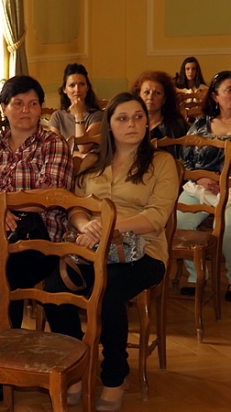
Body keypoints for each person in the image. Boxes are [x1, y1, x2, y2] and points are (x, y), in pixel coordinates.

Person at [43, 92, 178, 412]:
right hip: (91, 247)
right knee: (55, 290)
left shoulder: (161, 162)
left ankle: (115, 377)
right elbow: (75, 207)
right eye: (123, 118)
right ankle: (75, 367)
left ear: (147, 123)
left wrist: (107, 225)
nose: (132, 124)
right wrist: (84, 225)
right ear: (109, 125)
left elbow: (156, 217)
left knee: (108, 292)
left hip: (143, 251)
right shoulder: (92, 162)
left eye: (138, 117)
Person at [0, 75, 74, 405]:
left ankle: (0, 369)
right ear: (3, 108)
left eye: (33, 103)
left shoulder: (53, 144)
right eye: (18, 103)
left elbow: (51, 196)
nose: (26, 110)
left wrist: (0, 202)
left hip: (39, 239)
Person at [177, 70, 231, 299]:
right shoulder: (201, 124)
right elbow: (184, 157)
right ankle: (196, 275)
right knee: (179, 221)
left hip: (230, 190)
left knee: (229, 227)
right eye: (229, 90)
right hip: (200, 186)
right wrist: (198, 178)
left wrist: (226, 182)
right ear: (215, 96)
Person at [48, 63, 103, 154]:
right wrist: (77, 155)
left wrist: (79, 115)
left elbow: (83, 148)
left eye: (81, 84)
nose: (77, 90)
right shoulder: (57, 116)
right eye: (72, 85)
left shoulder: (98, 115)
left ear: (87, 88)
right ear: (64, 89)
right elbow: (55, 150)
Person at [131, 71, 188, 156]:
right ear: (138, 96)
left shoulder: (177, 127)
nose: (150, 97)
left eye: (157, 93)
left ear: (164, 99)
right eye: (146, 92)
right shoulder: (129, 125)